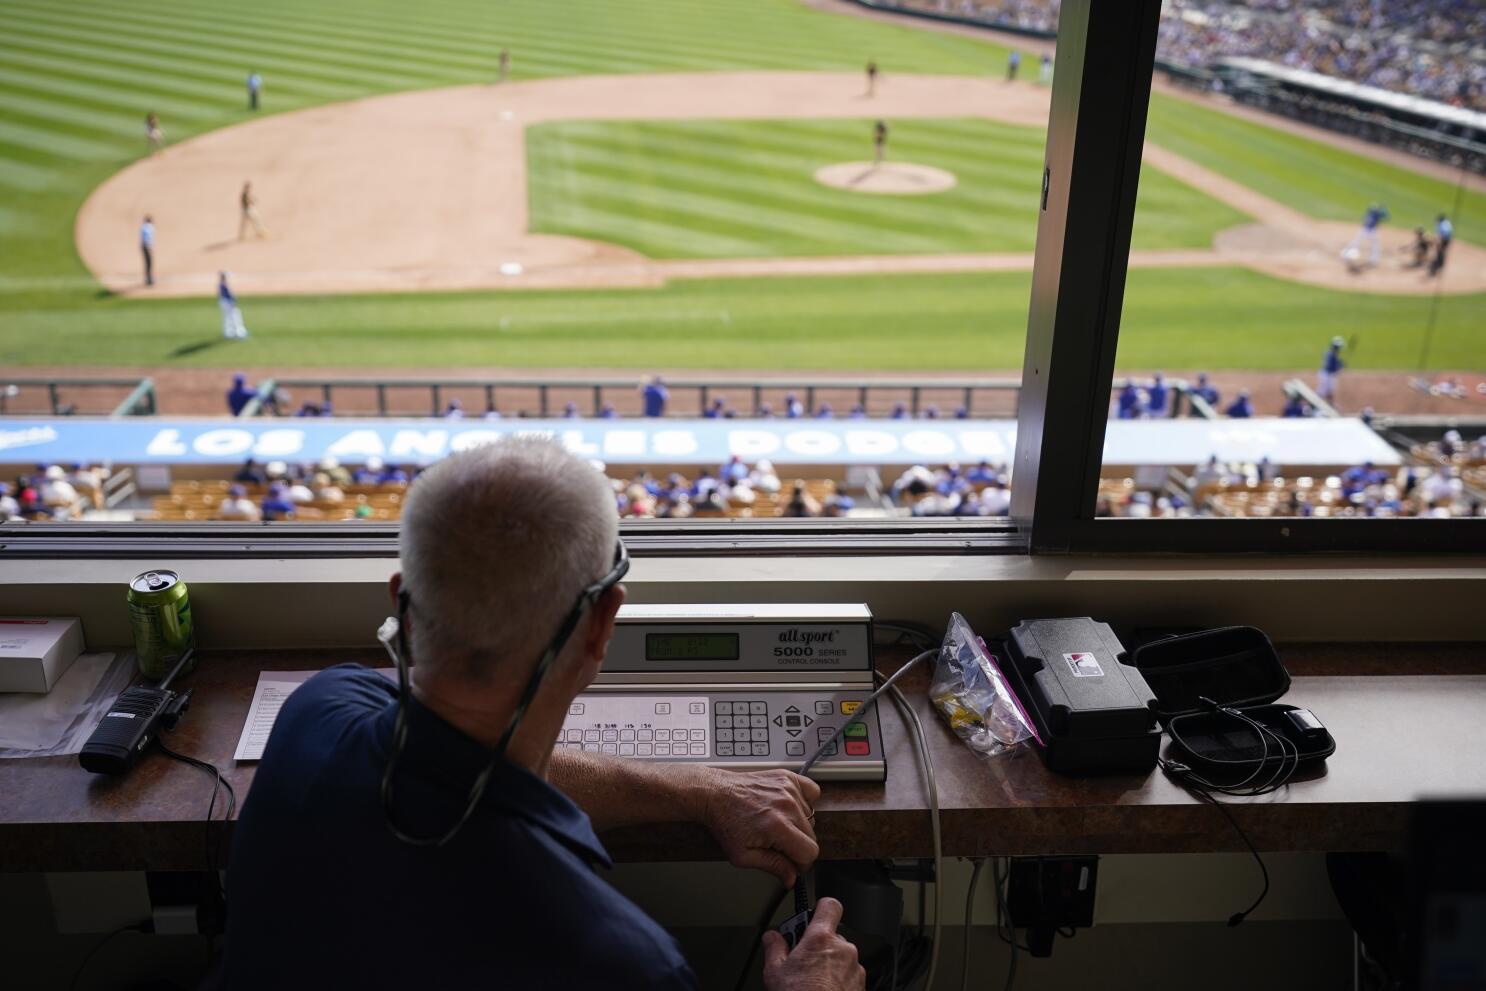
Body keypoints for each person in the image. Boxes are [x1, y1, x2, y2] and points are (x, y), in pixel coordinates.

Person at [225, 439, 860, 990]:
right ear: (601, 628)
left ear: (403, 605)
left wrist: (696, 789)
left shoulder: (317, 708)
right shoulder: (626, 966)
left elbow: (463, 757)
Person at [1341, 204, 1388, 269]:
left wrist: (1381, 210)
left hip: (1365, 231)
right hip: (1369, 231)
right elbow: (1386, 217)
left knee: (1355, 243)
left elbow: (1382, 216)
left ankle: (1345, 255)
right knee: (1374, 245)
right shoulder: (1375, 215)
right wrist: (1384, 210)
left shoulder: (1371, 214)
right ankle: (1374, 260)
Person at [218, 271, 248, 340]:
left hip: (224, 302)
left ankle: (229, 332)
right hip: (228, 302)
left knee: (227, 317)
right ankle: (239, 332)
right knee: (235, 316)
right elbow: (228, 295)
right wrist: (233, 302)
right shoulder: (224, 284)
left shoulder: (221, 284)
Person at [1318, 337, 1345, 405]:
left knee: (1329, 392)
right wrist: (1340, 366)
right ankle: (1316, 405)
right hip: (1327, 376)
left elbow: (1334, 362)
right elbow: (1332, 368)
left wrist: (1339, 363)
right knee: (1323, 392)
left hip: (1326, 374)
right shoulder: (1332, 355)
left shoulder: (1329, 352)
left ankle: (1330, 404)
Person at [1428, 213, 1454, 278]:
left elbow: (1443, 235)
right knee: (1441, 251)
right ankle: (1439, 262)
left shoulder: (1442, 224)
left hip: (1444, 240)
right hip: (1446, 239)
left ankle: (1439, 263)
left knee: (1440, 251)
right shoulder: (1446, 223)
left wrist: (1438, 241)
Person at [140, 215, 155, 287]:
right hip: (146, 246)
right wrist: (149, 247)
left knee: (148, 263)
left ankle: (148, 278)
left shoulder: (144, 227)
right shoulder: (148, 227)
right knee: (149, 263)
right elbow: (147, 238)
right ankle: (148, 279)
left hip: (144, 246)